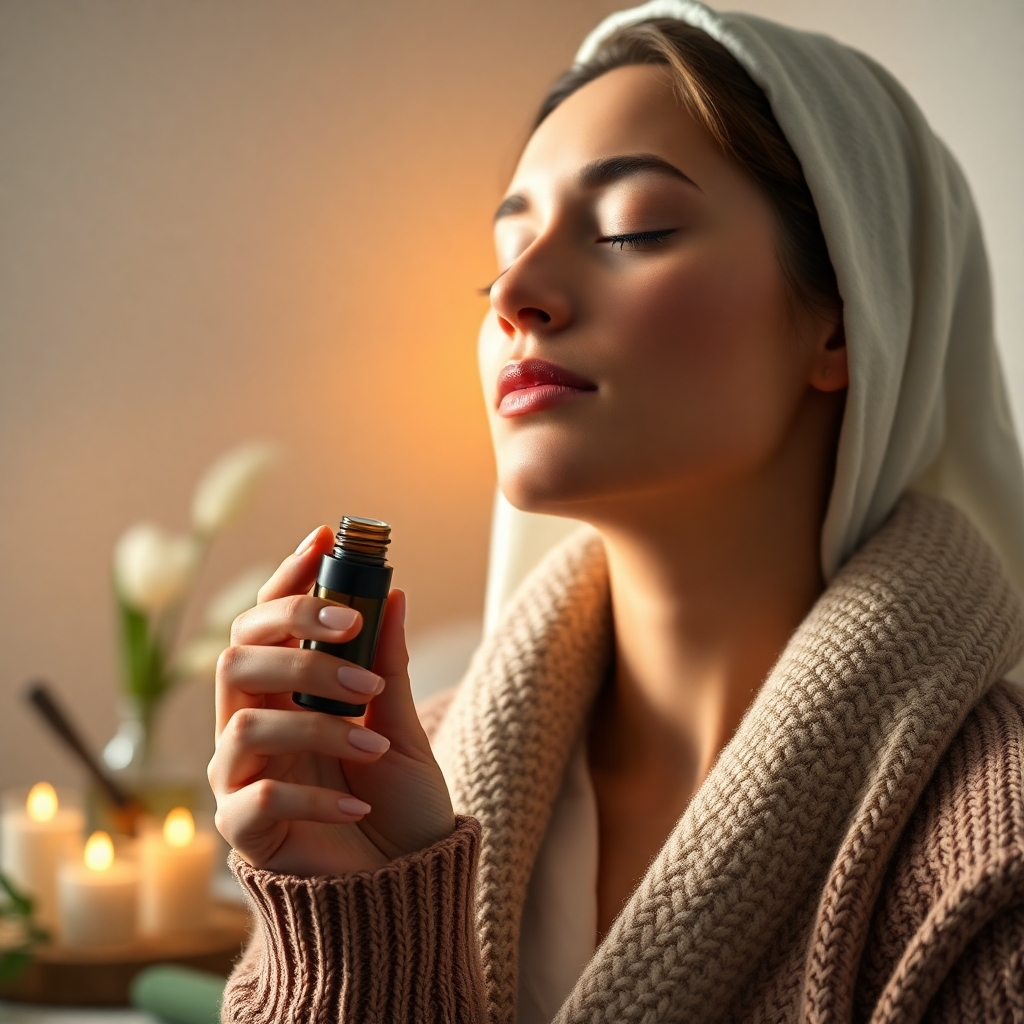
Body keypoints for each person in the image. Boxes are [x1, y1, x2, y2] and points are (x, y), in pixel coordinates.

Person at [208, 3, 1024, 1021]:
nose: (515, 291)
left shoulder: (991, 851)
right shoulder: (392, 797)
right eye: (500, 254)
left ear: (846, 322)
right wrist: (359, 921)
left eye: (632, 227)